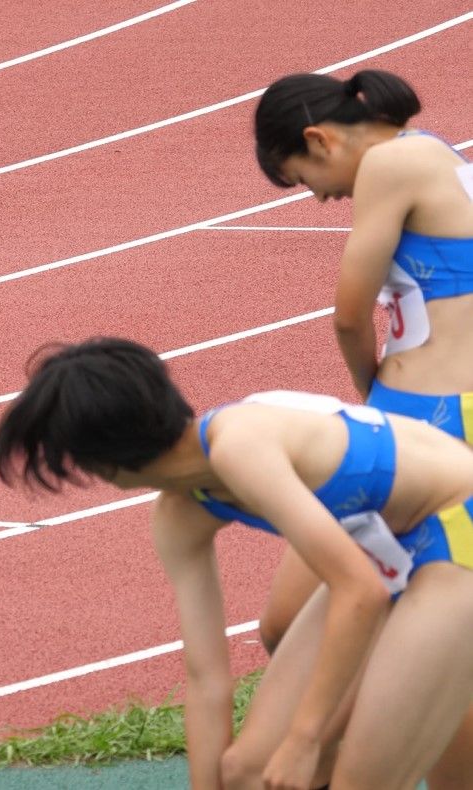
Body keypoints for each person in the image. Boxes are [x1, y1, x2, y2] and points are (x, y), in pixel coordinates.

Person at [0, 337, 473, 790]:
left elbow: (359, 592)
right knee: (247, 772)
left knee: (358, 779)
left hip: (455, 524)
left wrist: (304, 740)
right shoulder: (178, 517)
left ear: (97, 462)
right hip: (386, 550)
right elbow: (206, 679)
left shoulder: (239, 444)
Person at [254, 69, 473, 787]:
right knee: (287, 623)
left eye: (308, 179)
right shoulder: (429, 157)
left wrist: (367, 401)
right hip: (420, 412)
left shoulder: (393, 160)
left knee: (429, 628)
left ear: (318, 137)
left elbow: (349, 312)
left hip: (439, 419)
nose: (323, 198)